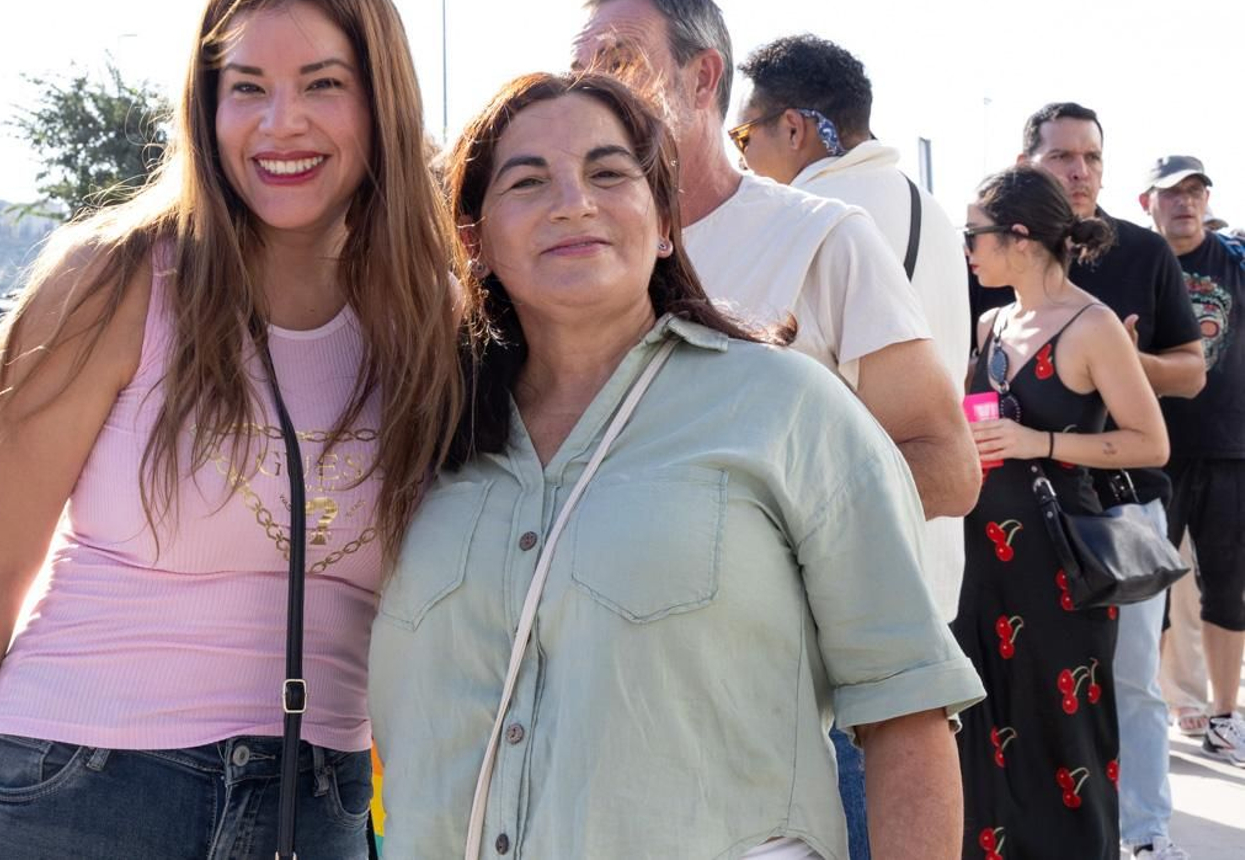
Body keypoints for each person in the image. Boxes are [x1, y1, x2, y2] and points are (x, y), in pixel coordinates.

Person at [0, 0, 461, 859]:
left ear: (383, 100)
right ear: (206, 104)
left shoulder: (433, 319)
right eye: (247, 86)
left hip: (315, 803)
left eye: (323, 83)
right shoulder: (117, 279)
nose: (281, 123)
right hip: (76, 789)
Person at [369, 72, 985, 860]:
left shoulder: (788, 407)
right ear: (475, 241)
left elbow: (906, 706)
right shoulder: (421, 439)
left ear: (665, 221)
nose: (573, 202)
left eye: (607, 173)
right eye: (527, 181)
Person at [574, 0, 980, 860]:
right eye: (579, 69)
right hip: (624, 729)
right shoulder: (576, 254)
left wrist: (759, 535)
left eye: (618, 61)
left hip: (807, 724)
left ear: (702, 77)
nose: (590, 89)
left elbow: (949, 467)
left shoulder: (822, 239)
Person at [969, 103, 1203, 860]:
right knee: (992, 729)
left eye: (976, 234)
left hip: (1061, 562)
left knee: (1067, 734)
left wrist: (1038, 441)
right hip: (984, 558)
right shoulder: (992, 325)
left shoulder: (1092, 324)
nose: (967, 249)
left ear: (1020, 238)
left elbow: (1150, 442)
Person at [731, 33, 972, 620]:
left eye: (742, 137)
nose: (738, 159)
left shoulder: (799, 224)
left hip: (840, 570)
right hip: (932, 556)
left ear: (794, 129)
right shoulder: (931, 209)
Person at [1141, 154, 1245, 768]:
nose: (1185, 201)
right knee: (1148, 592)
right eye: (1172, 192)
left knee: (1228, 590)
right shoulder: (1136, 261)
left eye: (1195, 191)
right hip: (1153, 450)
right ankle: (1148, 716)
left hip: (1230, 447)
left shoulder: (1234, 258)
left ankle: (1226, 717)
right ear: (1147, 202)